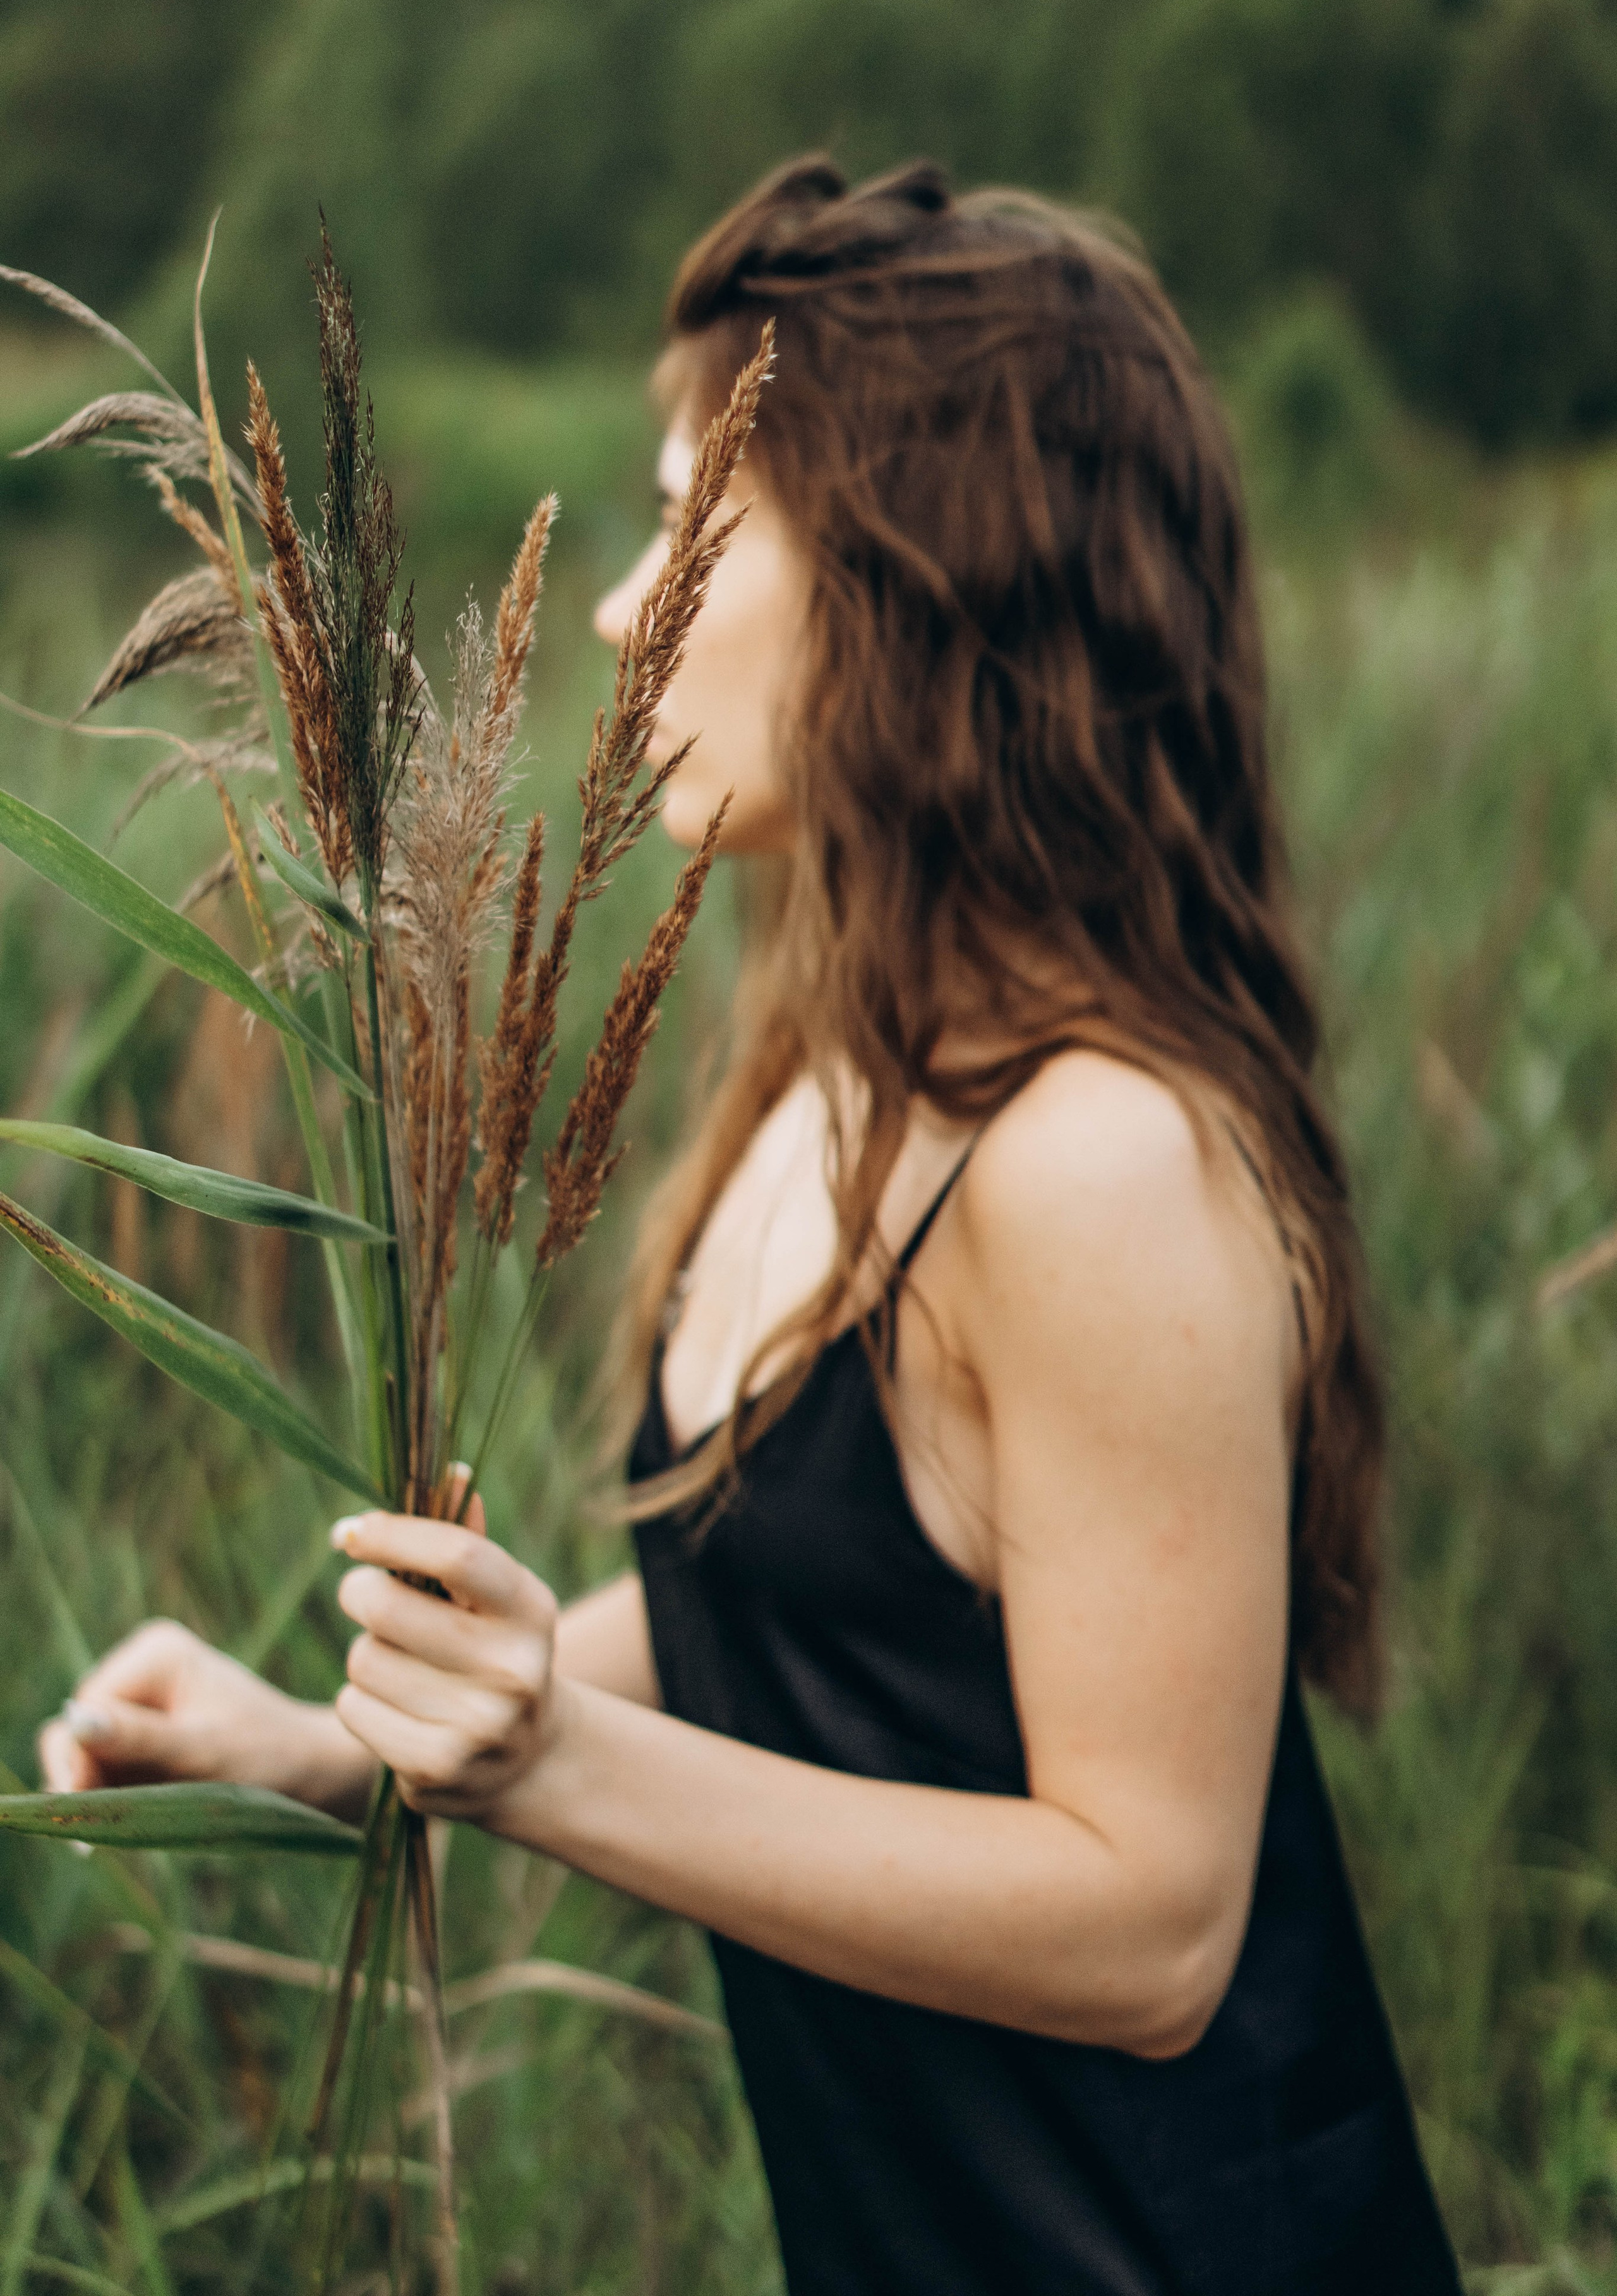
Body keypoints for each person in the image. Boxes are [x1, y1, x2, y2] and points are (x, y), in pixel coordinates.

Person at [40, 158, 1462, 2295]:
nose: (626, 603)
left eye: (707, 504)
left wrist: (556, 1763)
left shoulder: (1098, 1159)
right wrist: (326, 1745)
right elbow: (792, 1603)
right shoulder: (831, 1077)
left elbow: (1157, 1925)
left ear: (914, 569)